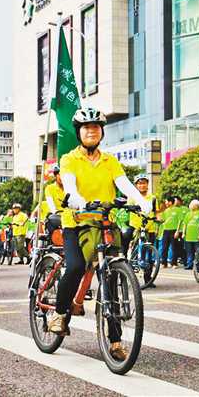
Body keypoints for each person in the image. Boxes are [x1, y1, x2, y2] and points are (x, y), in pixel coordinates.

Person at [46, 107, 151, 361]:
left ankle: (115, 342)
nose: (91, 131)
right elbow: (69, 186)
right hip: (77, 222)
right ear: (79, 132)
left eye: (96, 127)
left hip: (105, 223)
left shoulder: (109, 160)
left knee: (112, 279)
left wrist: (143, 201)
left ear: (102, 132)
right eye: (86, 127)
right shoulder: (70, 159)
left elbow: (124, 184)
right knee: (75, 267)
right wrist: (78, 201)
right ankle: (60, 314)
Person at [180, 200, 199, 270]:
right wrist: (183, 233)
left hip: (196, 236)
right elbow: (185, 224)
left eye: (191, 204)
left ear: (196, 206)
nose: (190, 206)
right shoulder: (188, 214)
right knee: (189, 251)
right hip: (188, 236)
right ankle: (189, 264)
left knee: (198, 251)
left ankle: (198, 265)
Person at [160, 196, 182, 268]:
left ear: (170, 202)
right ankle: (164, 263)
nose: (165, 203)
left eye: (166, 201)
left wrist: (177, 231)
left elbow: (180, 220)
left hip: (174, 230)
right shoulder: (166, 211)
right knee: (164, 248)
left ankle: (174, 263)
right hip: (166, 230)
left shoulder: (178, 210)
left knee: (174, 247)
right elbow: (163, 220)